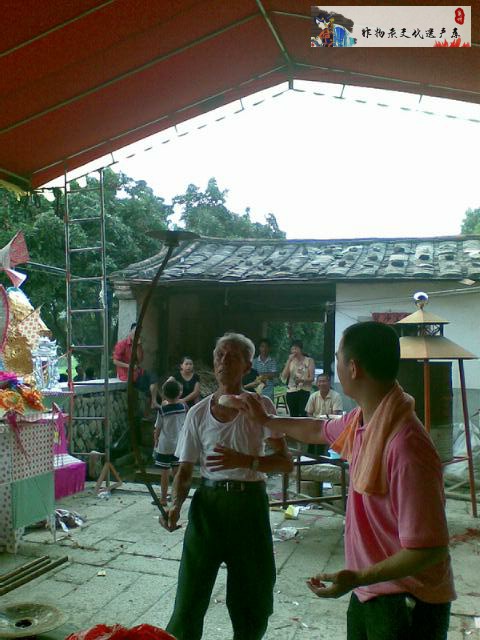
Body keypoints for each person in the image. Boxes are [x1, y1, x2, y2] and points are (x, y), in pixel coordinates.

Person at [242, 322, 455, 640]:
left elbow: (430, 549)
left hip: (409, 601)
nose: (334, 368)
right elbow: (316, 430)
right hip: (370, 588)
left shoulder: (406, 446)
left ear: (353, 368)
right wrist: (266, 420)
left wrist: (358, 577)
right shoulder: (362, 420)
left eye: (337, 359)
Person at [163, 332, 293, 640]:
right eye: (220, 355)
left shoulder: (261, 407)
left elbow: (285, 462)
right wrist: (175, 505)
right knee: (190, 594)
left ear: (248, 366)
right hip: (208, 506)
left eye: (233, 356)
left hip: (250, 506)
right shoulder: (198, 412)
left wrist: (246, 461)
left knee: (252, 596)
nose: (224, 361)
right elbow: (185, 469)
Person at [153, 379, 187, 506]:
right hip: (178, 445)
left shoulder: (162, 410)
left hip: (165, 445)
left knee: (165, 473)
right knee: (176, 473)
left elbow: (158, 428)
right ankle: (176, 498)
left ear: (164, 394)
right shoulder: (183, 408)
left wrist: (156, 439)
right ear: (179, 393)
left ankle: (163, 498)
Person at [281, 339, 315, 417]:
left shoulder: (309, 360)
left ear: (301, 349)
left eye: (296, 348)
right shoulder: (290, 361)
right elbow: (284, 376)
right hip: (291, 391)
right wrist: (289, 360)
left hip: (304, 391)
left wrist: (302, 380)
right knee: (293, 416)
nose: (294, 351)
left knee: (303, 414)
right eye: (292, 349)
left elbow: (312, 378)